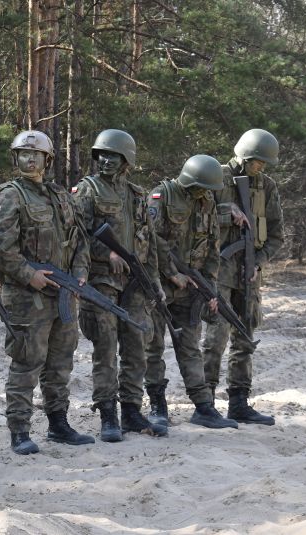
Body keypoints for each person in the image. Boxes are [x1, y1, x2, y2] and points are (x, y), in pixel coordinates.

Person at [0, 130, 95, 455]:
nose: (30, 159)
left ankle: (58, 423)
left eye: (36, 154)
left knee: (60, 363)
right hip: (28, 298)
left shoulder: (60, 195)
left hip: (64, 293)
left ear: (47, 160)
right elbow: (0, 245)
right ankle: (19, 430)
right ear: (16, 158)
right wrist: (28, 274)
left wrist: (80, 273)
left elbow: (80, 240)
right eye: (24, 154)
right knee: (26, 363)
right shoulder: (11, 196)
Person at [72, 129, 168, 442]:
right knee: (105, 349)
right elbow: (77, 236)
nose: (106, 160)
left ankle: (131, 410)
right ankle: (107, 414)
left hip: (135, 283)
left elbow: (148, 242)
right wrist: (106, 253)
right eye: (102, 154)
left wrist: (154, 281)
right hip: (102, 281)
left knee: (137, 347)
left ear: (127, 160)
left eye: (114, 156)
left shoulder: (138, 194)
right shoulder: (87, 190)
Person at [144, 154, 238, 429]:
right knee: (153, 347)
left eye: (208, 190)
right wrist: (172, 274)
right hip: (160, 285)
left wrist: (209, 288)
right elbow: (151, 240)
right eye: (201, 188)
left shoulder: (207, 202)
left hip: (191, 287)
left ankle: (203, 406)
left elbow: (213, 245)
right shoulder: (162, 196)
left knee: (190, 347)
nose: (204, 193)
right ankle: (158, 406)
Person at [201, 129, 283, 425]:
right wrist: (228, 212)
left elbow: (276, 235)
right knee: (216, 337)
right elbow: (198, 217)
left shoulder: (267, 186)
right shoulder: (217, 177)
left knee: (245, 338)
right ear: (244, 156)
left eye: (264, 163)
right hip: (219, 272)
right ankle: (205, 403)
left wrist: (258, 262)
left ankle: (239, 402)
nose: (260, 167)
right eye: (257, 161)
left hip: (249, 274)